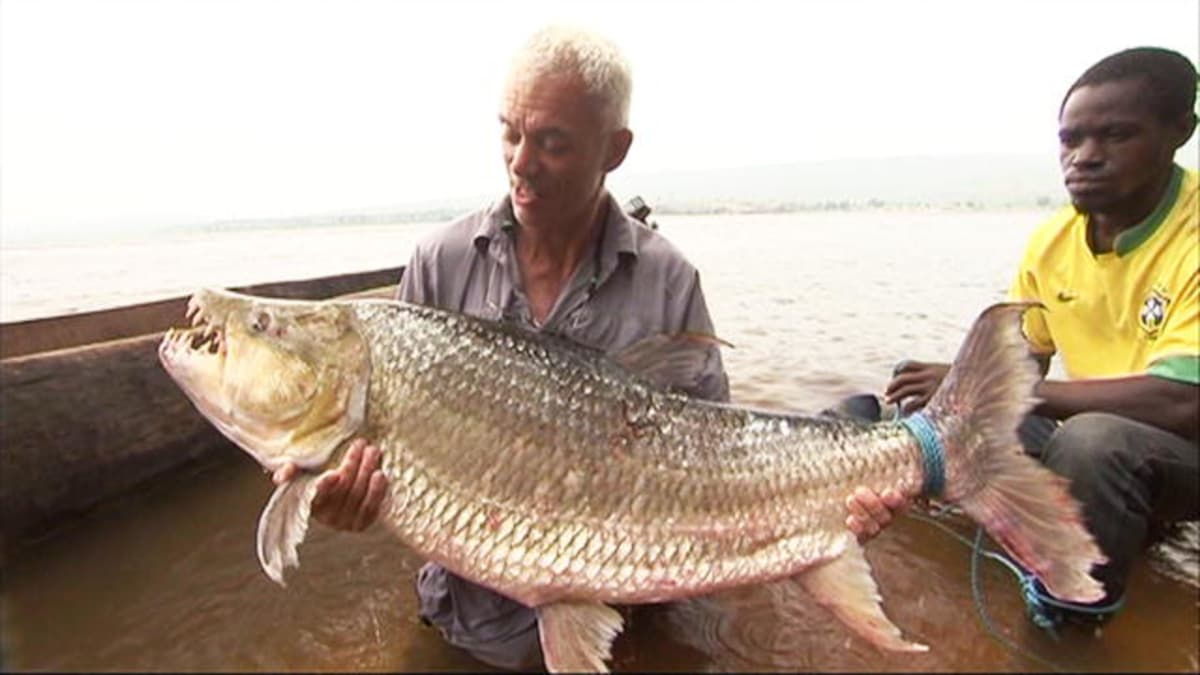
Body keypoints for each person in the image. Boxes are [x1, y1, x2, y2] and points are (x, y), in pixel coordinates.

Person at [271, 25, 898, 669]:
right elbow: (384, 463)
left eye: (552, 143)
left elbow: (720, 461)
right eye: (510, 132)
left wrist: (829, 505)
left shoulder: (668, 279)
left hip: (636, 620)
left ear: (615, 149)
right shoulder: (439, 264)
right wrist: (343, 499)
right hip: (468, 623)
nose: (521, 160)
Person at [848, 46, 1199, 624]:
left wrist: (978, 386)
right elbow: (1028, 367)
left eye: (1115, 136)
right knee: (930, 414)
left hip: (1174, 444)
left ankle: (1070, 616)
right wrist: (954, 399)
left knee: (1092, 443)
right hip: (1107, 440)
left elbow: (1182, 402)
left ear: (1179, 131)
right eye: (1071, 140)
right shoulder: (1051, 243)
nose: (1085, 158)